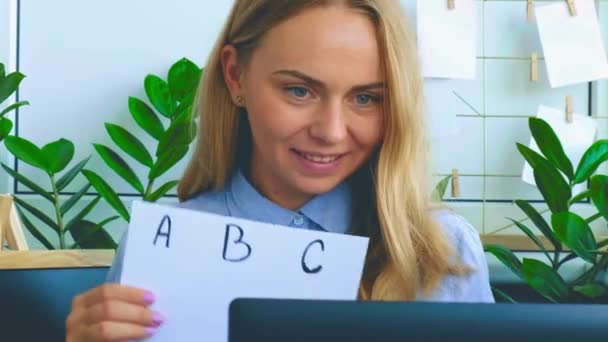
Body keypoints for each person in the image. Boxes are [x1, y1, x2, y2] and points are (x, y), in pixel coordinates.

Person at [66, 0, 494, 340]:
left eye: (365, 98)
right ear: (235, 77)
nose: (331, 132)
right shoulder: (164, 247)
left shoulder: (441, 251)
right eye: (299, 90)